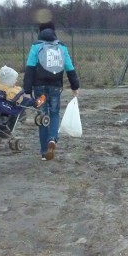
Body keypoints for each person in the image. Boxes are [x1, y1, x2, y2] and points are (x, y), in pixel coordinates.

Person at [23, 21, 79, 160]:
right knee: (54, 114)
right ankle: (52, 139)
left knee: (42, 116)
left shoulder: (36, 47)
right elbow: (69, 67)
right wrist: (75, 86)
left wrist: (27, 89)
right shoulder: (61, 47)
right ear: (54, 32)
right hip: (55, 87)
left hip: (39, 88)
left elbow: (30, 68)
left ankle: (43, 152)